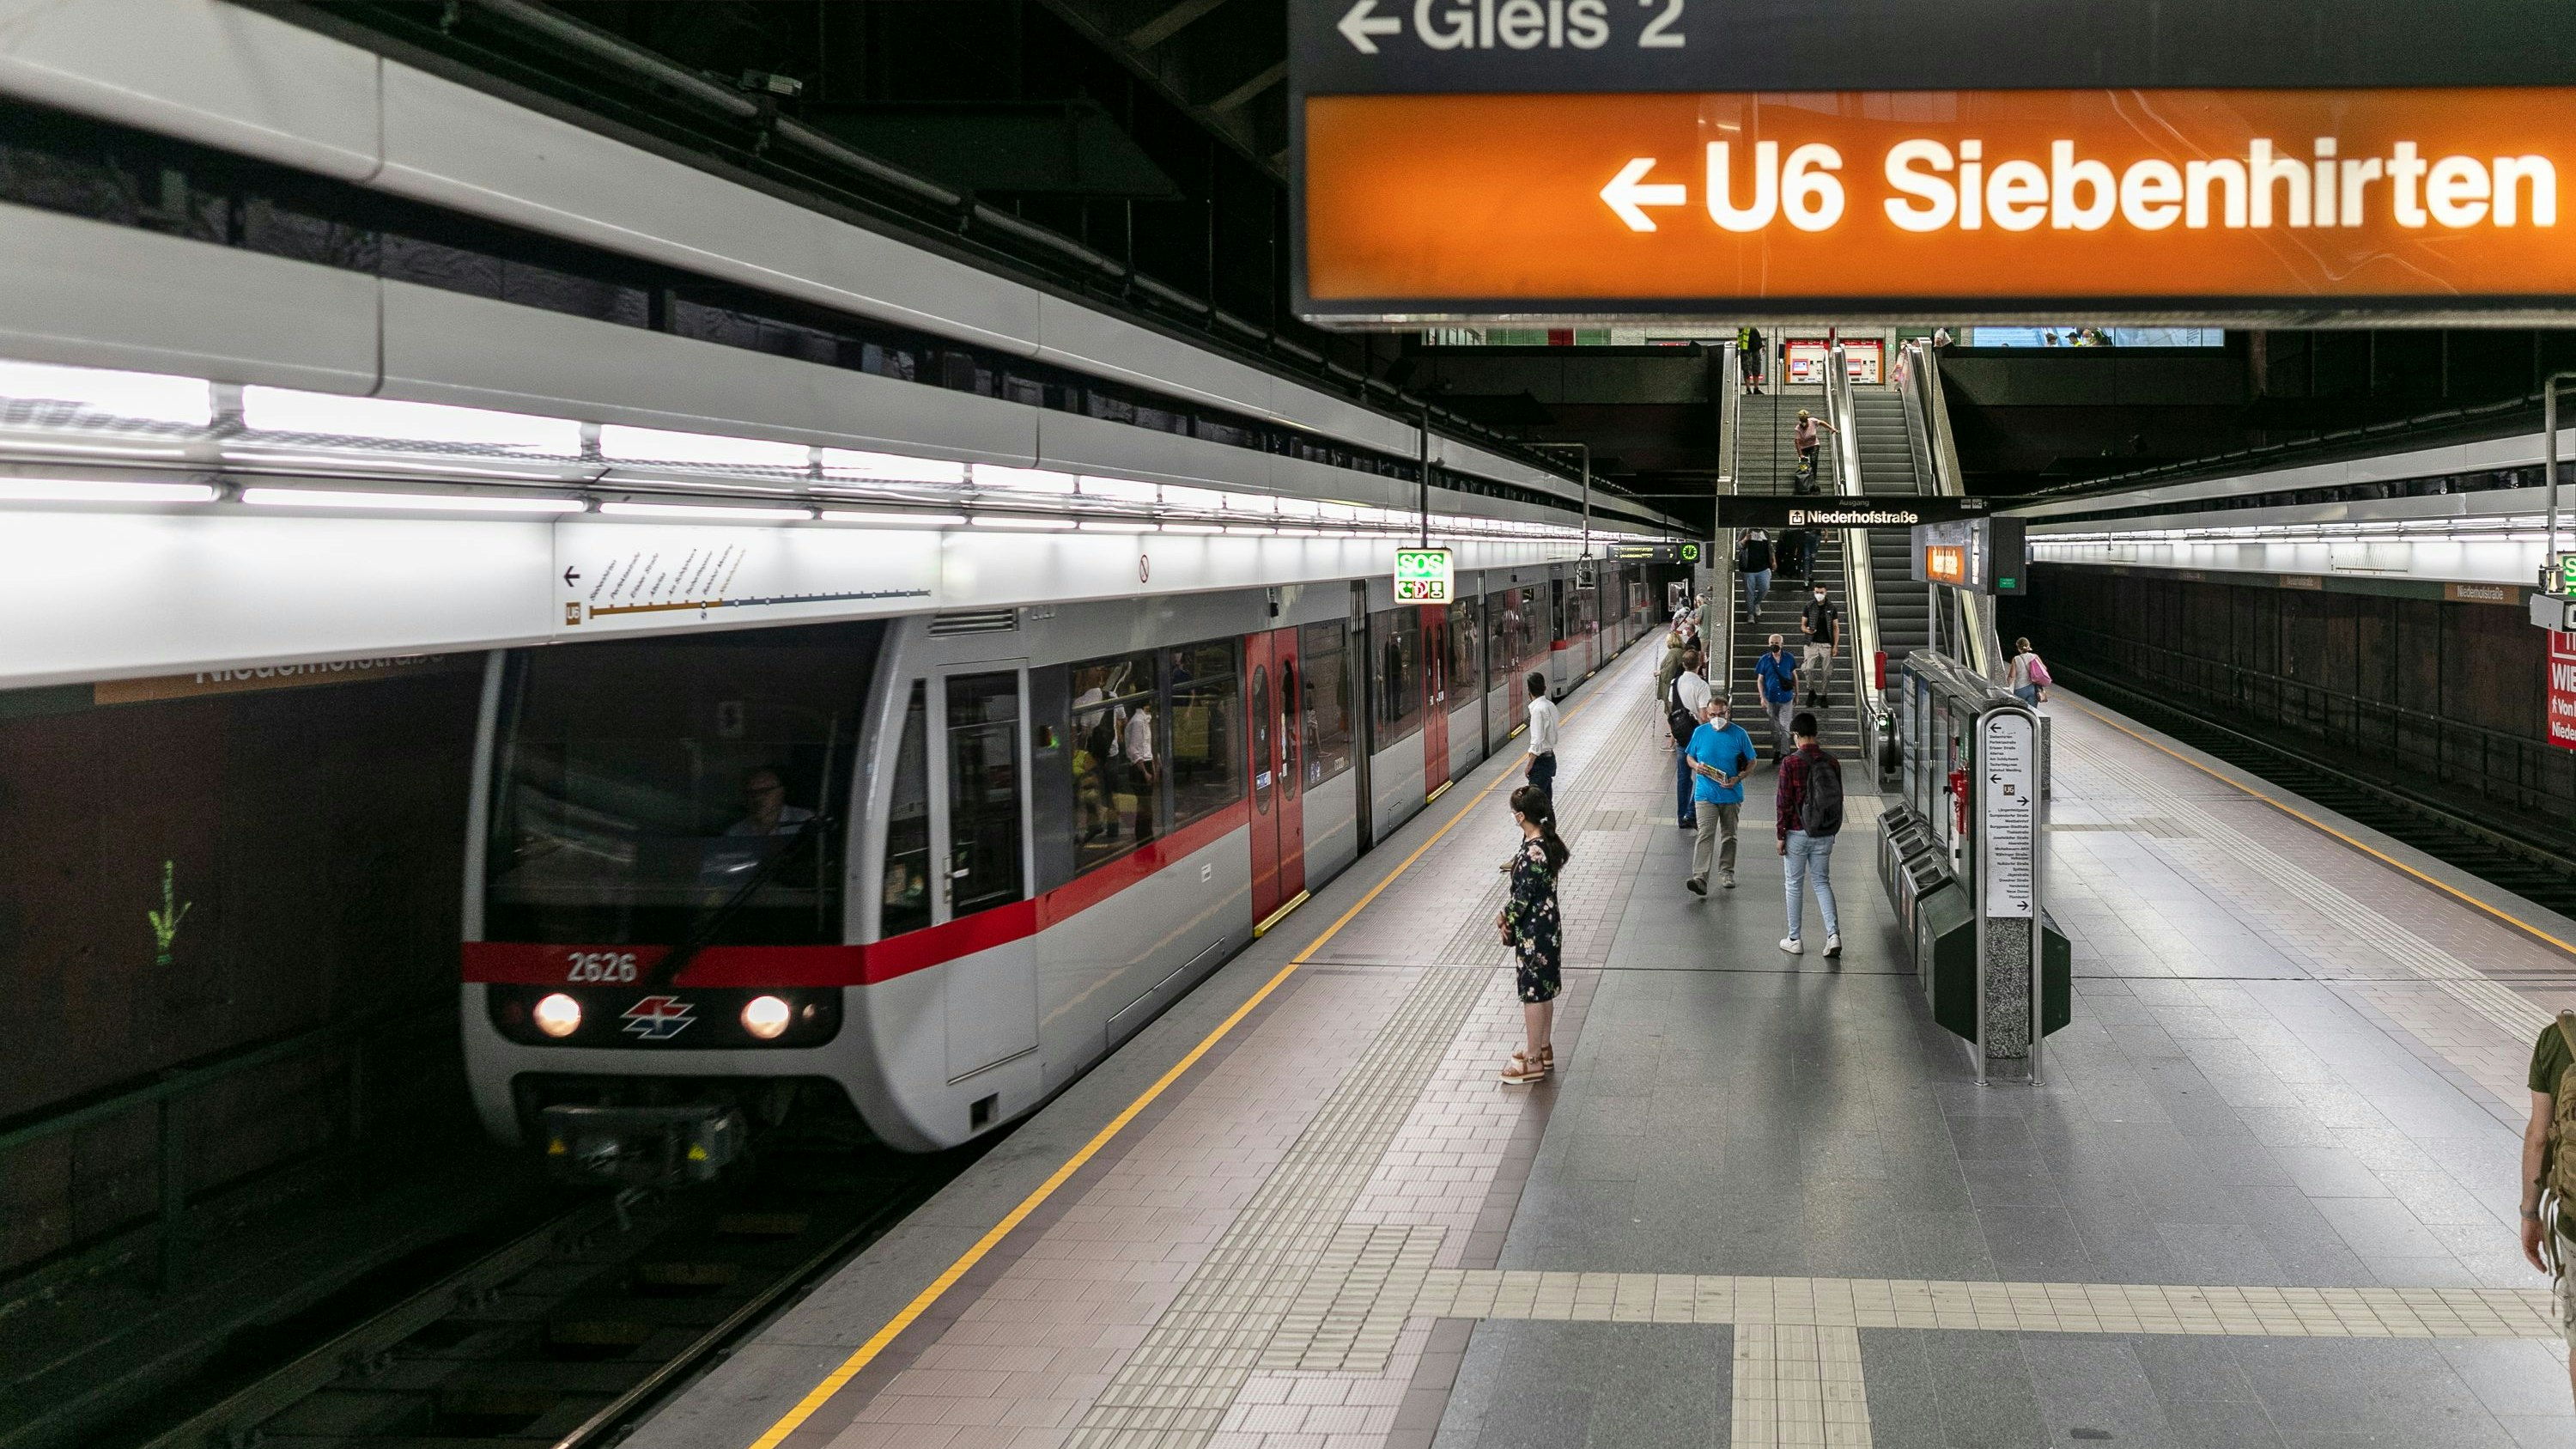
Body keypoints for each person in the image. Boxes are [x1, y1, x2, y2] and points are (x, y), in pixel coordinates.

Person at [1496, 784, 1568, 1084]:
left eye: (1514, 813)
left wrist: (1503, 917)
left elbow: (1522, 897)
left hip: (1534, 932)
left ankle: (1533, 1059)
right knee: (1544, 989)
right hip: (1547, 926)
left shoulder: (1532, 852)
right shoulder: (1545, 845)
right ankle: (1544, 1048)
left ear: (1522, 816)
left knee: (1532, 994)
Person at [1773, 712, 1843, 958]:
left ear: (1796, 735)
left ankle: (1795, 939)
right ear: (1816, 733)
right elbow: (1838, 799)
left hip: (1797, 833)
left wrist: (1781, 835)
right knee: (1822, 882)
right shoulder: (1832, 761)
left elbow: (1784, 802)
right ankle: (1833, 935)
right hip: (1824, 832)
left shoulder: (1790, 763)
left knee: (1793, 885)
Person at [1686, 697, 1759, 895]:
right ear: (1707, 714)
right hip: (1705, 794)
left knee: (1729, 835)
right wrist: (1696, 766)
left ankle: (1727, 872)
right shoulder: (1700, 732)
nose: (1717, 718)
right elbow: (1689, 757)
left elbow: (1752, 761)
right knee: (1705, 834)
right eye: (1712, 715)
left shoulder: (1739, 734)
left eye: (1721, 714)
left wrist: (1739, 777)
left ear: (1728, 713)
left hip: (1731, 794)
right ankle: (1700, 877)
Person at [1667, 647, 1711, 831]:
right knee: (1703, 774)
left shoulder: (1674, 682)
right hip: (1698, 737)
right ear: (1699, 663)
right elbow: (1703, 716)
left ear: (1683, 664)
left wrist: (1673, 733)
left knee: (1683, 778)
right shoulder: (1701, 685)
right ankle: (1691, 813)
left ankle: (1681, 817)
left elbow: (1672, 711)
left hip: (1681, 736)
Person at [727, 766, 816, 837]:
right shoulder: (736, 832)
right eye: (752, 793)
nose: (758, 798)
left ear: (781, 792)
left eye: (765, 791)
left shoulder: (804, 821)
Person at [1755, 634, 1799, 761]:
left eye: (1777, 642)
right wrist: (1762, 697)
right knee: (1774, 728)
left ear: (1782, 644)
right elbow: (1760, 680)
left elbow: (1794, 677)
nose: (1774, 645)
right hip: (1771, 698)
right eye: (1772, 642)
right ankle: (1777, 751)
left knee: (1785, 726)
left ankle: (1785, 753)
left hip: (1786, 697)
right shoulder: (1764, 659)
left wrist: (1797, 694)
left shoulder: (1789, 658)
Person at [1799, 583, 1840, 707]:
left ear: (1826, 593)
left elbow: (1835, 627)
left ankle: (1823, 695)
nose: (1819, 594)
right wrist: (1806, 630)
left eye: (1821, 592)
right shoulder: (1809, 606)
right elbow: (1803, 625)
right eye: (1817, 592)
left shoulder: (1831, 607)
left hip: (1826, 644)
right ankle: (1811, 690)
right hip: (1811, 642)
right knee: (1807, 668)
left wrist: (1835, 646)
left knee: (1827, 672)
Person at [1522, 671, 1559, 801]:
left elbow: (1537, 741)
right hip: (1550, 759)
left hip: (1540, 763)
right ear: (1544, 687)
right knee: (1546, 804)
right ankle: (1549, 821)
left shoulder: (1538, 710)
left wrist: (1529, 765)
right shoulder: (1551, 705)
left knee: (1533, 803)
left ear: (1528, 690)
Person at [1793, 408, 1837, 491]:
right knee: (1804, 465)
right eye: (1801, 421)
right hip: (1803, 447)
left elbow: (1822, 423)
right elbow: (1797, 442)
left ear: (1807, 419)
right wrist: (1800, 454)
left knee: (1813, 460)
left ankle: (1813, 481)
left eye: (1804, 420)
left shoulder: (1813, 421)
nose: (1803, 423)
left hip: (1814, 445)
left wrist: (1832, 428)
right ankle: (1804, 481)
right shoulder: (1798, 428)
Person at [1738, 528, 1775, 623]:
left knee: (1765, 588)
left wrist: (1773, 561)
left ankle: (1757, 603)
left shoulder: (1766, 532)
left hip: (1764, 568)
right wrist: (1745, 539)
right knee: (1749, 592)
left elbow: (1770, 548)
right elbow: (1739, 546)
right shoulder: (1745, 531)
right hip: (1748, 569)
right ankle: (1750, 614)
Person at [2007, 636, 2052, 707]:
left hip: (2019, 689)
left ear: (2018, 648)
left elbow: (2012, 676)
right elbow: (2044, 669)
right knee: (2032, 712)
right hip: (2032, 690)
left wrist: (2006, 686)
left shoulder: (2016, 659)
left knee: (2019, 711)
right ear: (2028, 646)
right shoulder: (2034, 656)